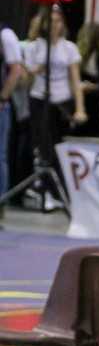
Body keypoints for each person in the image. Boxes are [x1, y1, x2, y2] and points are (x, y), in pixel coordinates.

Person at [27, 5, 86, 194]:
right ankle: (46, 188)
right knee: (43, 143)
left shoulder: (69, 48)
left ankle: (62, 189)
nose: (54, 25)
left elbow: (75, 80)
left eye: (58, 21)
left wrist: (80, 108)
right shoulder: (36, 46)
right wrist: (34, 71)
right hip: (39, 98)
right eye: (51, 22)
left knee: (60, 144)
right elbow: (27, 77)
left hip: (61, 100)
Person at [0, 22, 25, 213]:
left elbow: (16, 70)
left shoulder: (6, 34)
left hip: (1, 104)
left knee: (0, 156)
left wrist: (3, 97)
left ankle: (0, 203)